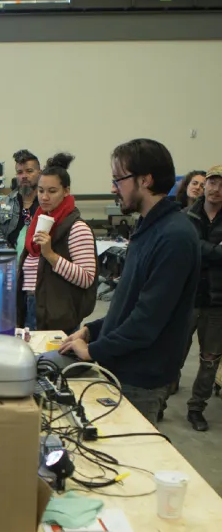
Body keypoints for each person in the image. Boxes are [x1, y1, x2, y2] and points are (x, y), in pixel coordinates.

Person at [60, 139, 200, 424]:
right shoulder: (148, 227)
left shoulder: (174, 237)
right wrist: (92, 330)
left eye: (118, 179)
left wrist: (93, 351)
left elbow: (147, 321)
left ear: (145, 180)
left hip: (141, 377)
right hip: (122, 366)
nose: (113, 188)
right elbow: (129, 302)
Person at [16, 153, 97, 333]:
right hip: (31, 306)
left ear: (66, 191)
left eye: (52, 191)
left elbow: (86, 279)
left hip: (56, 315)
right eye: (41, 190)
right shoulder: (40, 221)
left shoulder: (77, 228)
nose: (44, 197)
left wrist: (51, 255)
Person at [182, 165, 222, 432]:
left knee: (210, 360)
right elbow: (189, 248)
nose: (216, 189)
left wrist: (202, 250)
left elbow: (197, 248)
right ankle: (160, 401)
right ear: (204, 185)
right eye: (212, 183)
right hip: (188, 297)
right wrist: (216, 251)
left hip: (217, 302)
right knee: (174, 352)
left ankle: (196, 408)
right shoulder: (187, 216)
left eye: (221, 184)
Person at [0, 149, 42, 248]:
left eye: (29, 171)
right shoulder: (1, 204)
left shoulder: (47, 203)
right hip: (10, 258)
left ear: (40, 173)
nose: (24, 176)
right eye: (20, 172)